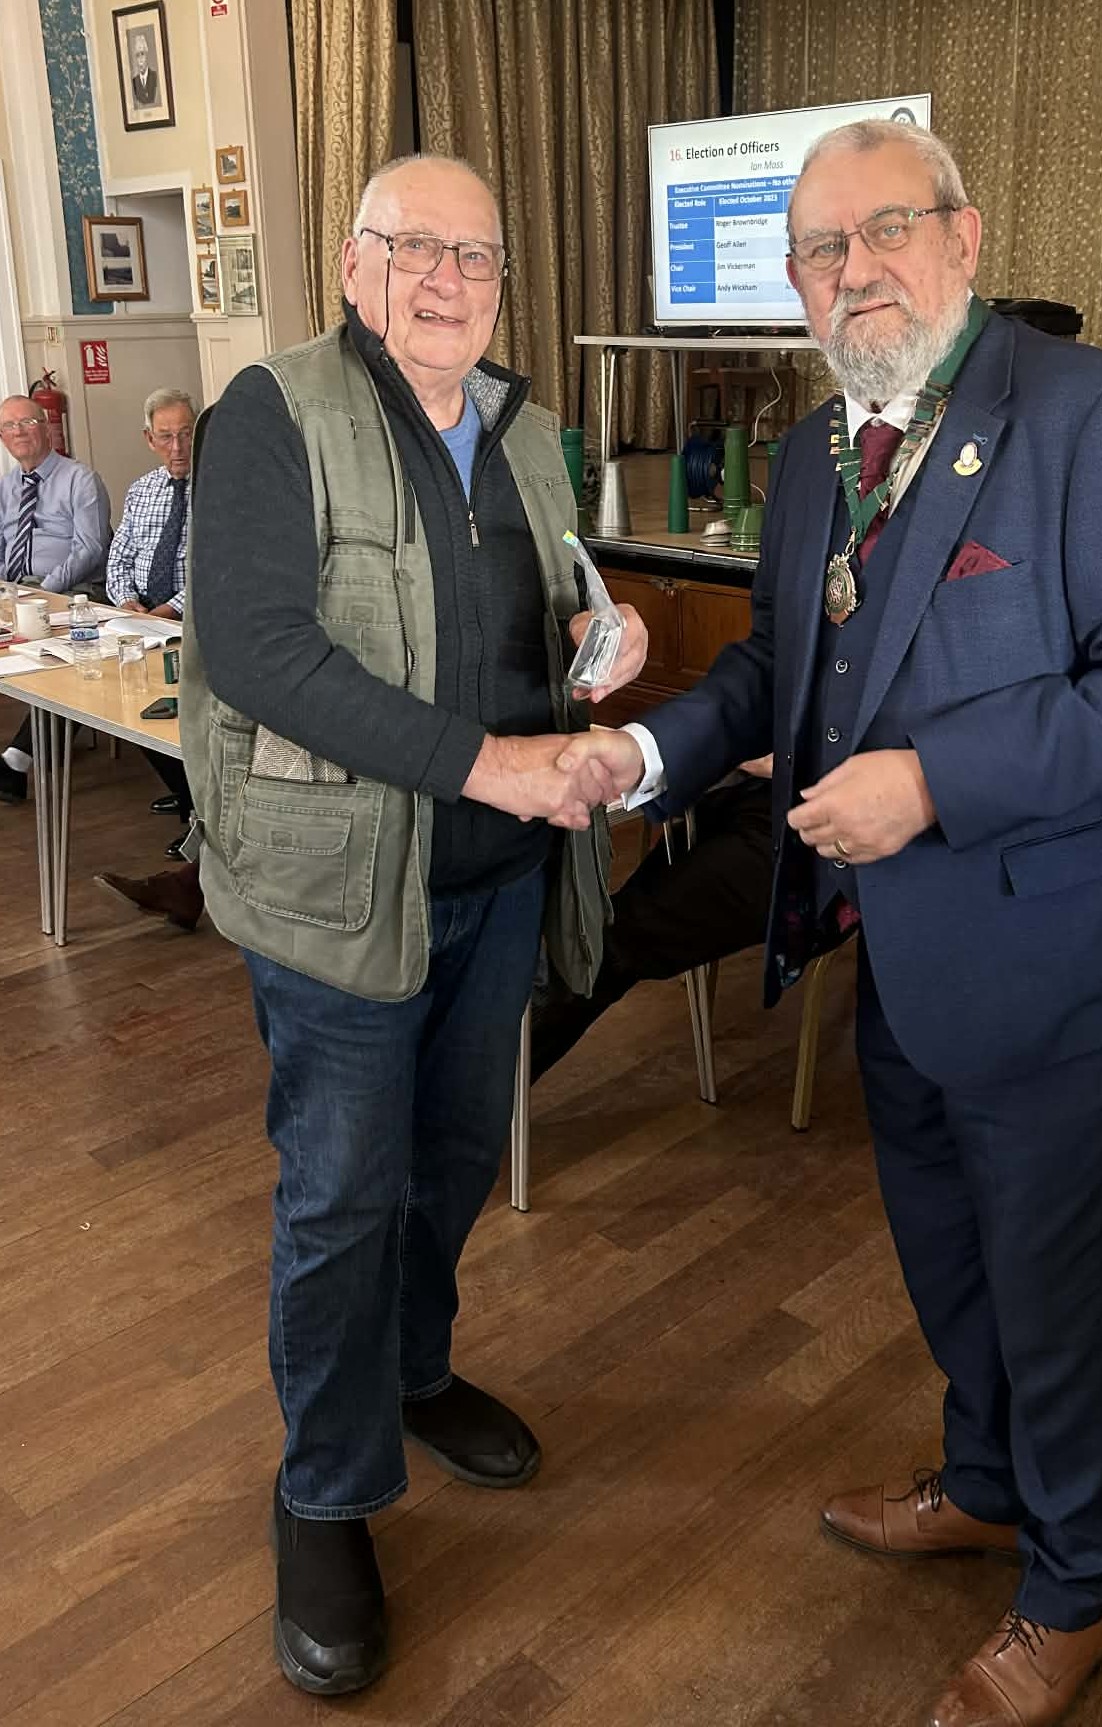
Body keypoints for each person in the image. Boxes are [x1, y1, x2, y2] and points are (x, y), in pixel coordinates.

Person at [563, 120, 1102, 1727]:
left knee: (1045, 1287)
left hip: (1054, 952)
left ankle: (1076, 1582)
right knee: (947, 1251)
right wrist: (646, 754)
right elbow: (777, 669)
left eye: (885, 230)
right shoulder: (817, 453)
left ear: (964, 236)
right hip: (897, 952)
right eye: (820, 248)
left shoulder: (1098, 414)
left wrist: (933, 780)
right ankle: (988, 1481)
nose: (853, 269)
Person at [179, 152, 645, 1697]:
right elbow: (258, 650)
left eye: (477, 255)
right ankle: (323, 1489)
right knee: (340, 1194)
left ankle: (415, 1370)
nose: (447, 279)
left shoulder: (525, 428)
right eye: (414, 248)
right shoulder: (273, 413)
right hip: (336, 896)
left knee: (451, 1157)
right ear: (352, 263)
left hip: (498, 884)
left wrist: (604, 633)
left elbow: (557, 608)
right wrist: (488, 761)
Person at [531, 764, 774, 1079]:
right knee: (604, 933)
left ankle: (482, 1084)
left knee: (605, 949)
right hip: (746, 796)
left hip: (810, 839)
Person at [0, 396, 111, 804]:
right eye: (9, 426)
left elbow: (91, 548)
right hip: (17, 591)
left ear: (46, 427)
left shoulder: (81, 479)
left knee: (65, 658)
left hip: (72, 591)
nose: (18, 432)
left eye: (27, 423)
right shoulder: (6, 486)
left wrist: (44, 591)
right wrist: (7, 590)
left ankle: (16, 760)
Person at [104, 387, 199, 850]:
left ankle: (198, 812)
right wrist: (128, 603)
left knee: (183, 717)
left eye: (186, 433)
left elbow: (215, 566)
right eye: (166, 436)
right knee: (124, 706)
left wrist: (170, 609)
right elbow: (117, 557)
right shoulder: (141, 489)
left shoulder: (220, 486)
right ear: (149, 439)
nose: (177, 447)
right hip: (138, 622)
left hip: (190, 622)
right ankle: (185, 794)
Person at [128, 32, 158, 108]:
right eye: (137, 55)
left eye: (142, 54)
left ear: (147, 55)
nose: (140, 59)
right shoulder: (134, 81)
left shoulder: (154, 76)